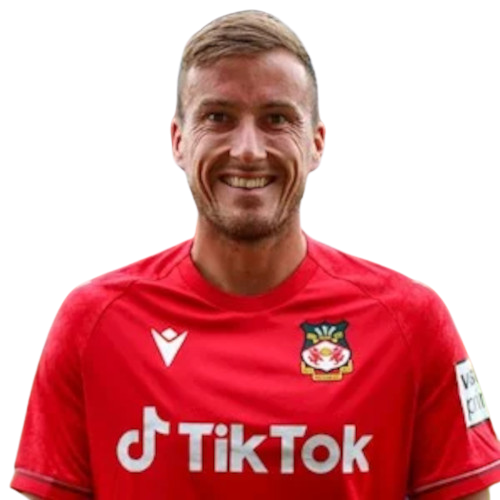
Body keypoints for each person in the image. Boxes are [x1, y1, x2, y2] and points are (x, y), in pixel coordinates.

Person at [9, 9, 499, 500]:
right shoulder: (93, 323)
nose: (248, 150)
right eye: (218, 117)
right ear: (178, 141)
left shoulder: (411, 322)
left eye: (276, 119)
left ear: (317, 144)